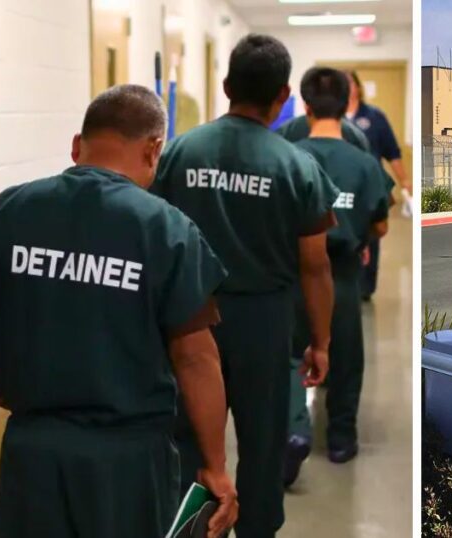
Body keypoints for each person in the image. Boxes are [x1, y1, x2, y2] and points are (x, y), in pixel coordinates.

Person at [0, 84, 237, 538]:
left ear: (76, 146)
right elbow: (195, 357)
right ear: (153, 150)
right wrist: (215, 467)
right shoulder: (167, 229)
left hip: (31, 452)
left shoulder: (12, 209)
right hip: (126, 462)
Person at [150, 34, 338, 538]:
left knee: (188, 436)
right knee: (263, 439)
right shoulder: (297, 166)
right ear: (282, 97)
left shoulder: (180, 152)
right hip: (265, 322)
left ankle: (190, 527)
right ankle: (256, 528)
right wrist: (319, 341)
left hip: (189, 318)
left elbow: (154, 232)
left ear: (227, 85)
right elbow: (315, 266)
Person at [283, 67, 392, 485]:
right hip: (343, 276)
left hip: (293, 272)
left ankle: (295, 430)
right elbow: (381, 225)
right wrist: (359, 230)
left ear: (305, 106)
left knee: (291, 354)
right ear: (349, 103)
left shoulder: (287, 156)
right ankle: (342, 439)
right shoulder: (365, 163)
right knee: (345, 358)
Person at [345, 70, 411, 300]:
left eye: (350, 82)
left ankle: (366, 286)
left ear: (357, 87)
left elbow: (392, 151)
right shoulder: (333, 116)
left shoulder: (374, 116)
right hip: (342, 183)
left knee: (370, 232)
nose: (347, 87)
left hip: (368, 184)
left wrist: (404, 179)